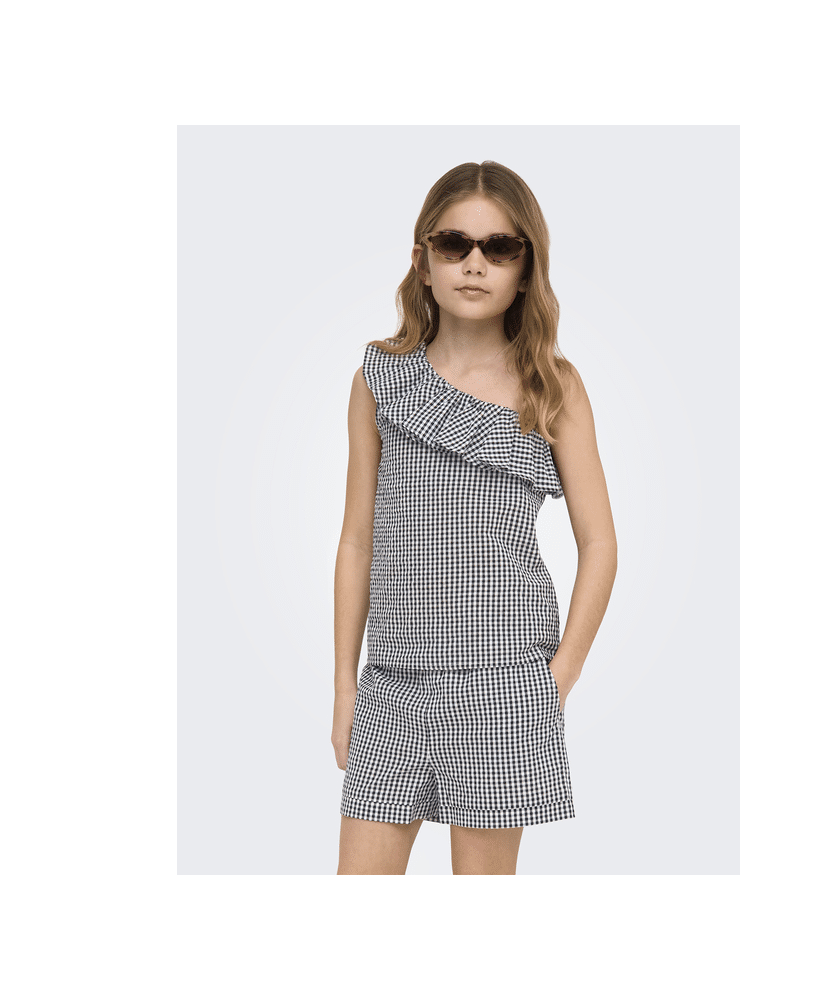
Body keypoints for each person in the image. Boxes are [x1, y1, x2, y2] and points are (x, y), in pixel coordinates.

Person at [332, 160, 617, 875]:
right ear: (422, 260)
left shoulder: (551, 387)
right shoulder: (379, 380)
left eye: (500, 247)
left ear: (526, 268)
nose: (475, 263)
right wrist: (344, 687)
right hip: (392, 680)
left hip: (504, 686)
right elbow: (357, 541)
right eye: (454, 243)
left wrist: (557, 678)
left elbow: (599, 543)